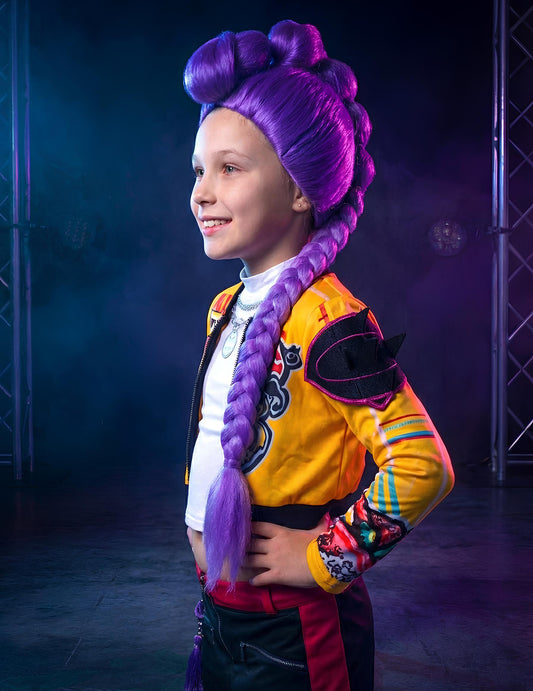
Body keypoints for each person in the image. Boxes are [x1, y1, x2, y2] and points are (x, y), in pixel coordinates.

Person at [182, 20, 454, 691]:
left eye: (229, 168)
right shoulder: (223, 308)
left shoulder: (331, 324)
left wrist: (326, 556)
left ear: (301, 189)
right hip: (220, 612)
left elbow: (423, 465)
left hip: (297, 633)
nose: (202, 192)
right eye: (199, 170)